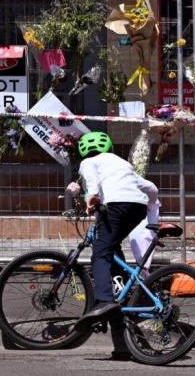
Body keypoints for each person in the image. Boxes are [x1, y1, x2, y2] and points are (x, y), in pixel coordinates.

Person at [73, 131, 160, 359]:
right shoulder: (121, 163)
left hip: (115, 207)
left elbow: (92, 181)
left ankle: (104, 301)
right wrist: (151, 206)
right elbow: (150, 187)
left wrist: (91, 197)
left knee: (100, 255)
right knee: (113, 259)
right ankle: (122, 341)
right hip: (136, 208)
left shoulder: (88, 162)